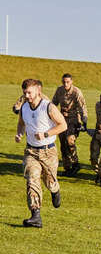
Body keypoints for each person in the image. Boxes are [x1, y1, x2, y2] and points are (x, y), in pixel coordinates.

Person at [14, 79, 67, 227]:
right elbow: (21, 124)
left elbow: (63, 125)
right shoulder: (24, 107)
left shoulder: (48, 107)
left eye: (29, 93)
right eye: (25, 93)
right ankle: (35, 215)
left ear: (38, 90)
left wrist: (46, 134)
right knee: (32, 179)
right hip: (31, 151)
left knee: (49, 182)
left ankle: (55, 190)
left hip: (48, 151)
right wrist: (19, 134)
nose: (27, 96)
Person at [51, 73, 88, 176]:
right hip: (61, 119)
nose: (65, 84)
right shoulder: (59, 90)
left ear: (71, 82)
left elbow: (82, 107)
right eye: (64, 82)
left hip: (74, 120)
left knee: (70, 141)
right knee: (63, 144)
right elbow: (53, 103)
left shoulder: (77, 92)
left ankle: (75, 163)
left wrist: (84, 121)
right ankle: (67, 168)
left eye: (67, 82)